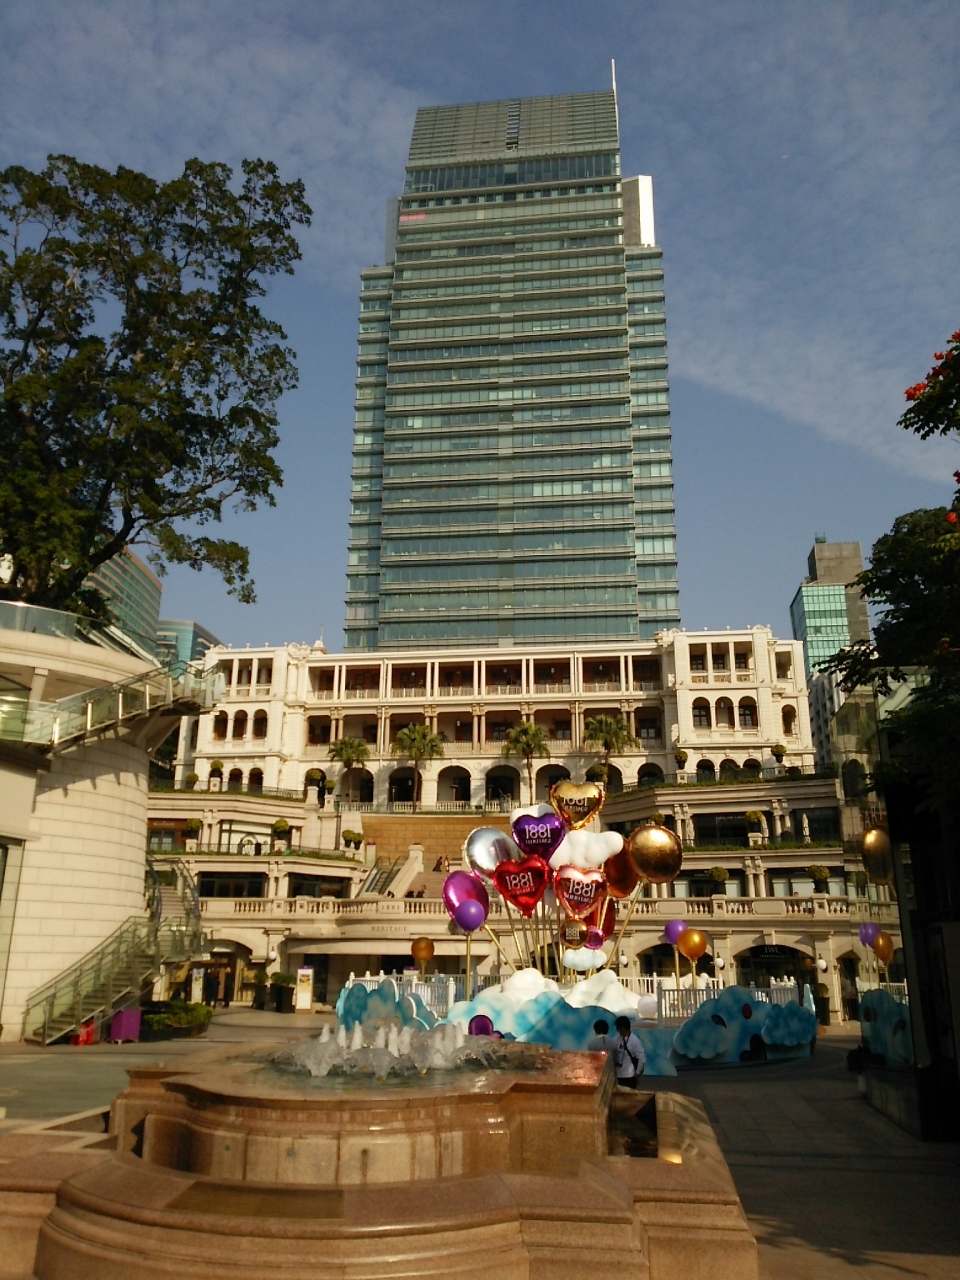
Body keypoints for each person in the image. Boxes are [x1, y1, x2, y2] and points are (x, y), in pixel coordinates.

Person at [612, 1015, 646, 1088]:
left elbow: (642, 1058)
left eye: (618, 1028)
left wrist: (637, 1073)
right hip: (619, 1074)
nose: (617, 1030)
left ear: (623, 1028)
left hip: (630, 1075)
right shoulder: (617, 1038)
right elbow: (613, 1050)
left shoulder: (634, 1040)